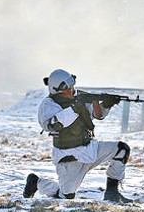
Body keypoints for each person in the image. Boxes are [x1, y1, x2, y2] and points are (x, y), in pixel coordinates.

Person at [23, 69, 134, 203]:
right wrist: (75, 108)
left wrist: (105, 105)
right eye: (68, 88)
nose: (72, 90)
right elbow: (53, 125)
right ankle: (37, 182)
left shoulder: (79, 97)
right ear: (58, 89)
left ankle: (112, 193)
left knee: (121, 149)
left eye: (72, 86)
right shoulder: (49, 105)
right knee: (66, 197)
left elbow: (97, 115)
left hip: (90, 149)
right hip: (69, 156)